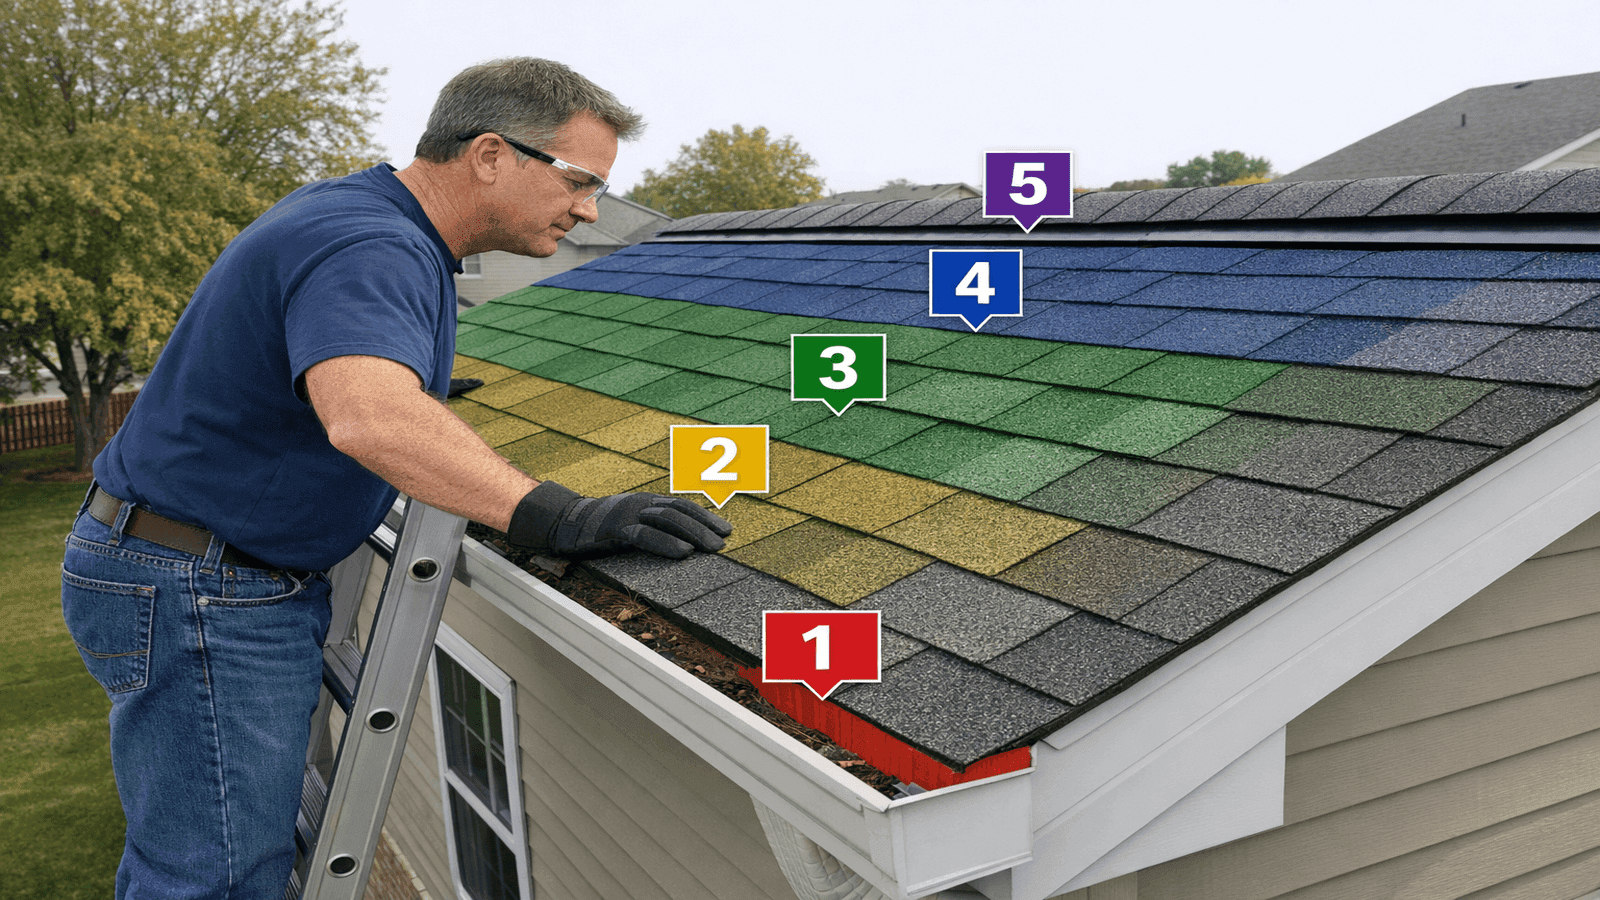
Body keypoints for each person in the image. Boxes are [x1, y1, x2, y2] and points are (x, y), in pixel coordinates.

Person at [60, 57, 731, 899]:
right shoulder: (373, 243)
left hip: (190, 566)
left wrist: (409, 375)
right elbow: (369, 417)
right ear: (491, 154)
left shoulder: (362, 212)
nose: (589, 209)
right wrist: (555, 515)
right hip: (203, 589)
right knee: (214, 881)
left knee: (205, 858)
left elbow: (336, 370)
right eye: (580, 180)